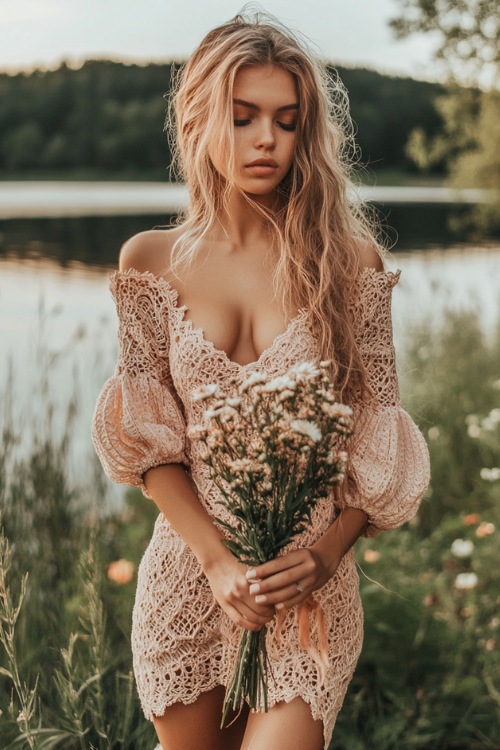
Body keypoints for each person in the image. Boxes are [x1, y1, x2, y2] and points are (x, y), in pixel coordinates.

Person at [92, 9, 430, 750]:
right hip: (189, 579)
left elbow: (376, 443)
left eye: (286, 119)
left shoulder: (351, 265)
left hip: (307, 591)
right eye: (243, 118)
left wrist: (324, 555)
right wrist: (215, 565)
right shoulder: (147, 261)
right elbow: (153, 449)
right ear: (200, 117)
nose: (267, 140)